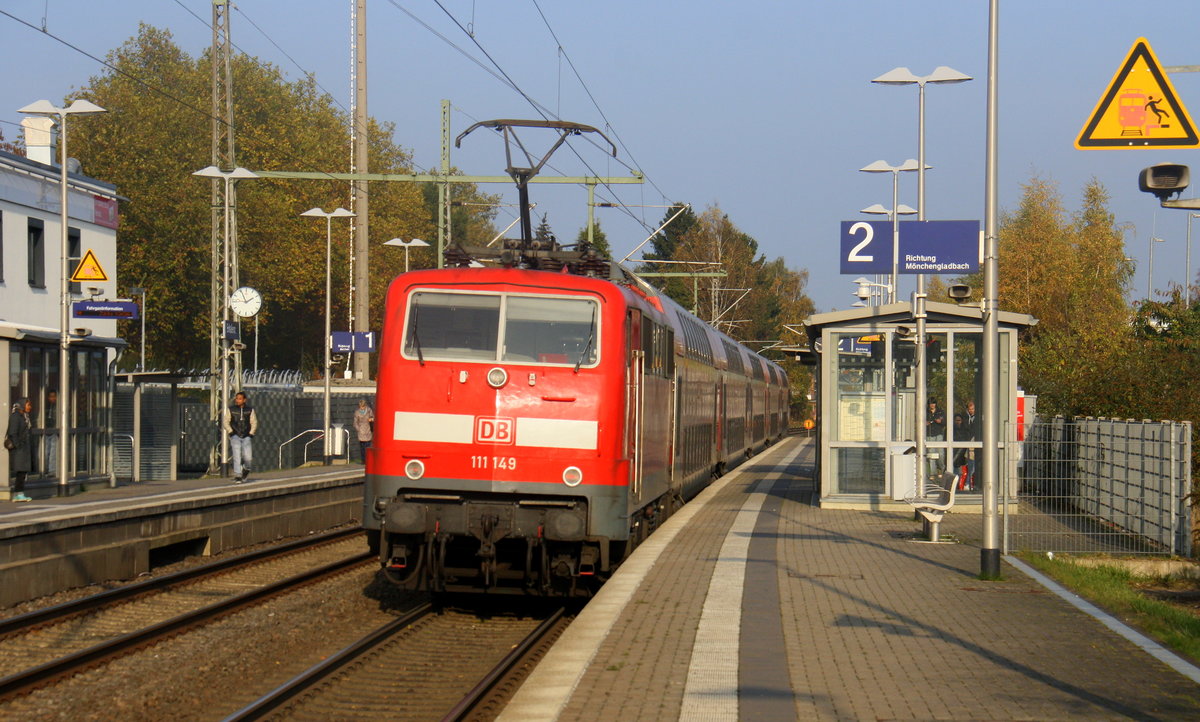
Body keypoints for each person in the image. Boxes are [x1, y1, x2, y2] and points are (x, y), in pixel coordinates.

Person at [224, 392, 257, 483]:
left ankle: (246, 469)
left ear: (244, 400)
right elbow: (225, 421)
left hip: (246, 436)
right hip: (235, 435)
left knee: (248, 458)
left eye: (239, 399)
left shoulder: (250, 410)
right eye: (236, 398)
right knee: (237, 455)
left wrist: (251, 433)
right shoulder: (231, 409)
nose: (237, 400)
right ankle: (238, 475)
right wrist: (231, 432)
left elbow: (254, 422)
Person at [7, 398, 34, 502]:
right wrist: (18, 445)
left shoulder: (24, 416)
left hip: (24, 448)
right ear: (22, 405)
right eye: (28, 405)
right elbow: (12, 433)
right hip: (19, 449)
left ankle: (19, 493)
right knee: (20, 471)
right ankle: (18, 494)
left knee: (23, 472)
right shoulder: (15, 416)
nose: (30, 407)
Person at [352, 398, 374, 463]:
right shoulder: (357, 412)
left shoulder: (369, 410)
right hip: (361, 430)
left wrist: (371, 420)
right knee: (362, 447)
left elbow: (373, 417)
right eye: (360, 407)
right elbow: (355, 422)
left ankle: (368, 459)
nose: (362, 408)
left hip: (368, 429)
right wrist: (358, 429)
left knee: (368, 446)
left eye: (363, 406)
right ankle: (363, 460)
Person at [44, 390, 57, 476]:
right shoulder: (45, 405)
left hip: (54, 430)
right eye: (51, 396)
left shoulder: (59, 405)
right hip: (46, 430)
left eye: (54, 396)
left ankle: (52, 470)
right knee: (45, 451)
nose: (52, 398)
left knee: (53, 451)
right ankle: (44, 469)